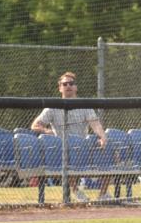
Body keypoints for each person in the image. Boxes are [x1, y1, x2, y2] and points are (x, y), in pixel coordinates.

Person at [30, 71, 109, 202]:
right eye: (64, 84)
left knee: (110, 151)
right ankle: (76, 191)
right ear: (60, 87)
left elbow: (95, 124)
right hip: (61, 150)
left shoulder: (85, 106)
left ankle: (103, 194)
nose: (68, 86)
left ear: (76, 87)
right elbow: (35, 125)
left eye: (71, 83)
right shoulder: (52, 107)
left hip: (84, 148)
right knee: (67, 153)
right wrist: (48, 132)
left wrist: (102, 137)